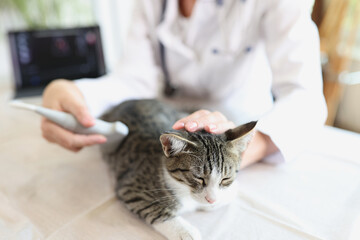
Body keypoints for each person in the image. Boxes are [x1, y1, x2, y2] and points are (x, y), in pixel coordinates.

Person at [41, 0, 327, 168]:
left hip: (244, 137)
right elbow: (136, 79)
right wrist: (75, 92)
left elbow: (306, 99)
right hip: (172, 135)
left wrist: (238, 151)